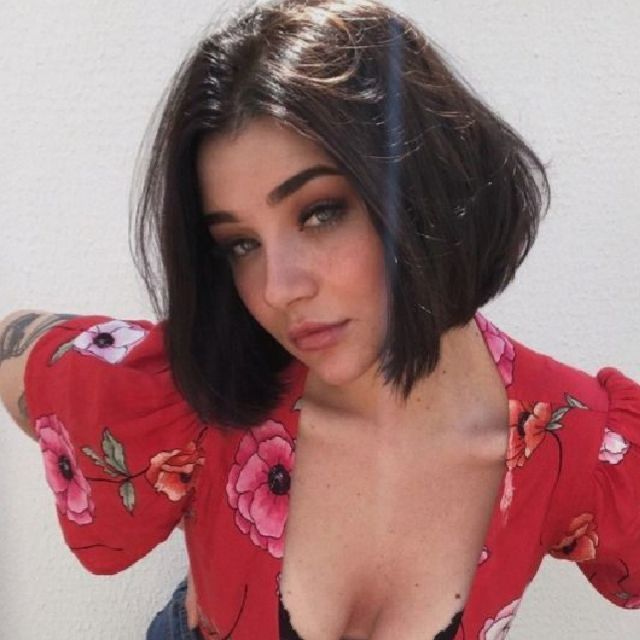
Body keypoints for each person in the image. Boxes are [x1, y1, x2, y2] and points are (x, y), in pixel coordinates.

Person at [0, 0, 638, 638]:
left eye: (320, 212)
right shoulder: (209, 392)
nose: (279, 289)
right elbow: (22, 349)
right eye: (239, 244)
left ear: (427, 187)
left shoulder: (575, 442)